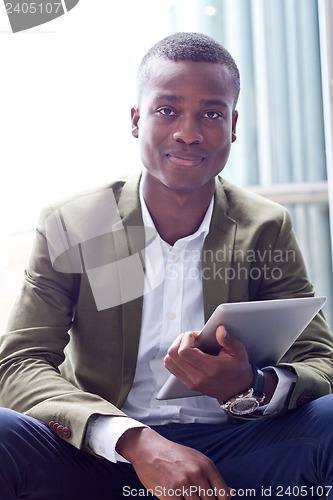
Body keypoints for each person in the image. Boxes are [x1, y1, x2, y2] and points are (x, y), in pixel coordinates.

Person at [0, 31, 333, 500]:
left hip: (235, 450)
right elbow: (19, 363)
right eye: (167, 110)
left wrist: (250, 386)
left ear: (234, 125)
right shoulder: (78, 224)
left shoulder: (263, 227)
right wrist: (133, 440)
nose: (189, 133)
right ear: (137, 119)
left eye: (211, 114)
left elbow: (322, 361)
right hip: (101, 455)